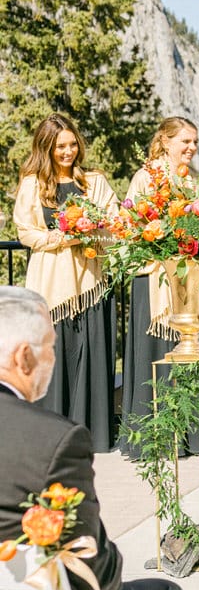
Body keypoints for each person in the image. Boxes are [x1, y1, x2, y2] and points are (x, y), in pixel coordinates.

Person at [0, 286, 187, 590]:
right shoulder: (52, 439)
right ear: (24, 357)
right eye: (49, 349)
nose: (52, 361)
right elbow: (98, 574)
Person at [11, 114, 118, 452]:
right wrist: (63, 237)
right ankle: (52, 436)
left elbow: (115, 223)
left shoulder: (94, 182)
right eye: (60, 146)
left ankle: (91, 435)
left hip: (90, 282)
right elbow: (26, 233)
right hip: (51, 283)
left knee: (89, 356)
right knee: (53, 358)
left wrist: (93, 232)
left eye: (72, 144)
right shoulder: (32, 184)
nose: (68, 151)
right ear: (47, 148)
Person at [118, 116, 199, 458]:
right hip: (156, 283)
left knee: (191, 354)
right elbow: (128, 227)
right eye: (185, 141)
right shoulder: (146, 178)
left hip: (189, 283)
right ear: (165, 141)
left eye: (195, 143)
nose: (191, 148)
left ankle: (192, 436)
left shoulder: (191, 182)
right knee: (157, 356)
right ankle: (158, 438)